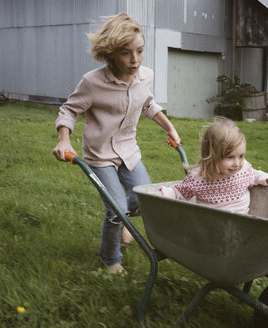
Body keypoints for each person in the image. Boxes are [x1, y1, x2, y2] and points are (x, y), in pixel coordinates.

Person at [52, 13, 181, 274]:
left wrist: (170, 127)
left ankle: (123, 222)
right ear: (110, 54)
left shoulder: (145, 76)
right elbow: (69, 110)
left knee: (143, 200)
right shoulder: (92, 82)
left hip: (129, 152)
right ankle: (111, 260)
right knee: (116, 208)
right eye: (125, 53)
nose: (134, 59)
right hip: (99, 157)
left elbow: (148, 104)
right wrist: (63, 139)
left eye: (140, 51)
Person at [159, 118, 268, 214]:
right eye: (230, 157)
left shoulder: (243, 170)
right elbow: (179, 191)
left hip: (242, 223)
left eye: (241, 156)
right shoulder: (197, 178)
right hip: (209, 227)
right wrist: (160, 194)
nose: (237, 163)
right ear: (212, 156)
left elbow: (255, 175)